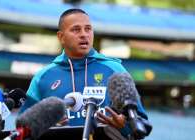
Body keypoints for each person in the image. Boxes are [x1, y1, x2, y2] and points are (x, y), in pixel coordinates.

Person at [19, 8, 150, 138]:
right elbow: (22, 130)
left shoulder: (115, 70)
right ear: (61, 36)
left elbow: (141, 124)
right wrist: (48, 129)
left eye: (88, 29)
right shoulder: (43, 77)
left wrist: (124, 126)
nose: (84, 34)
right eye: (76, 29)